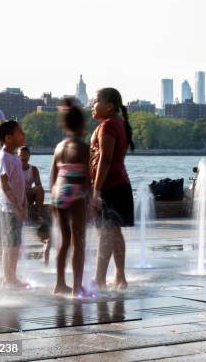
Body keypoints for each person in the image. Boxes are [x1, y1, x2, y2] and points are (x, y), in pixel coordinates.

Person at [90, 88, 134, 290]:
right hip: (120, 184)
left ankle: (100, 279)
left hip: (110, 186)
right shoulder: (118, 124)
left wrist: (96, 190)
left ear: (108, 106)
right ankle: (120, 277)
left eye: (95, 101)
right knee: (114, 232)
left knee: (106, 233)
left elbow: (105, 160)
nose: (92, 104)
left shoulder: (108, 126)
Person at [50, 98, 90, 296]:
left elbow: (53, 175)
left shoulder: (59, 147)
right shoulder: (83, 148)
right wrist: (90, 200)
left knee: (64, 241)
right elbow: (87, 178)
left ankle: (59, 284)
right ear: (82, 126)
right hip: (76, 193)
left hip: (59, 192)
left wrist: (53, 198)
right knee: (79, 241)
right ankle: (76, 287)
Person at [0, 120, 27, 288]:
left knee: (14, 244)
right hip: (8, 208)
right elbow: (5, 185)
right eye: (20, 132)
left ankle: (9, 276)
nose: (24, 135)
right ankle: (9, 278)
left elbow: (19, 183)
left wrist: (24, 203)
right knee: (11, 245)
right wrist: (18, 206)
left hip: (14, 207)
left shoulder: (13, 155)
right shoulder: (4, 157)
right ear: (8, 138)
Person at [18, 147, 44, 222]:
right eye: (21, 155)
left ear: (29, 156)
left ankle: (39, 215)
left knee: (39, 188)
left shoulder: (33, 169)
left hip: (29, 195)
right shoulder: (15, 168)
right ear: (18, 156)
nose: (23, 157)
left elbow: (38, 185)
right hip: (18, 196)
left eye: (25, 155)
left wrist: (30, 190)